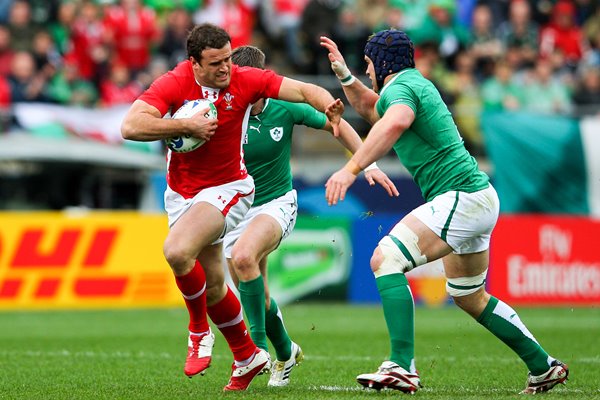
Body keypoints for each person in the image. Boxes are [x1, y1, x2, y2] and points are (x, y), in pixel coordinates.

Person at [320, 30, 569, 395]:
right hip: (477, 196)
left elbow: (393, 121)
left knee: (384, 259)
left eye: (369, 64)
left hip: (461, 197)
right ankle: (542, 366)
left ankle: (402, 366)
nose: (367, 72)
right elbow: (374, 110)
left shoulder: (401, 88)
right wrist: (344, 75)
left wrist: (351, 168)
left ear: (383, 63)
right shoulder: (408, 84)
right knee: (470, 296)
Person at [121, 23, 347, 392]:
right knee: (212, 287)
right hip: (182, 193)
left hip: (231, 188)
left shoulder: (247, 79)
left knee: (177, 251)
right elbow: (130, 126)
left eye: (228, 59)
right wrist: (184, 125)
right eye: (215, 63)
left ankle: (198, 331)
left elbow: (304, 89)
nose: (226, 68)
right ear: (194, 63)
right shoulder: (175, 83)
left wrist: (328, 106)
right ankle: (247, 354)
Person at [224, 45, 398, 387]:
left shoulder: (285, 107)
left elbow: (339, 127)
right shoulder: (227, 110)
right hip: (239, 209)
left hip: (277, 203)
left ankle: (254, 352)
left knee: (245, 257)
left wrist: (369, 163)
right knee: (257, 292)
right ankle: (286, 352)